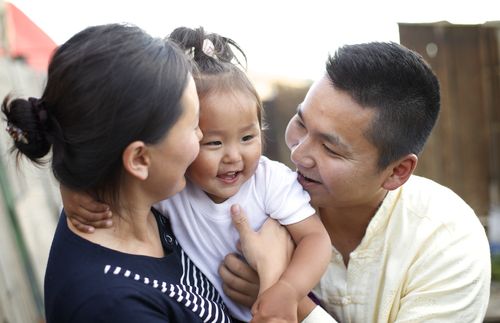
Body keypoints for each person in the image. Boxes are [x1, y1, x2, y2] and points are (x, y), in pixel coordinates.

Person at [60, 27, 332, 322]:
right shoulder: (172, 194)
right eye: (207, 139)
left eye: (248, 138)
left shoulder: (269, 181)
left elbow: (316, 240)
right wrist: (73, 185)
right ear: (139, 158)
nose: (232, 156)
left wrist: (286, 288)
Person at [219, 42, 492, 322]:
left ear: (397, 171)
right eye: (301, 123)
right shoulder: (254, 208)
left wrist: (282, 295)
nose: (298, 154)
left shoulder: (446, 242)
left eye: (330, 148)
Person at [2, 23, 235, 322]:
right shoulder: (112, 306)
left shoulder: (143, 199)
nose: (202, 136)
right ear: (139, 159)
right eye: (193, 126)